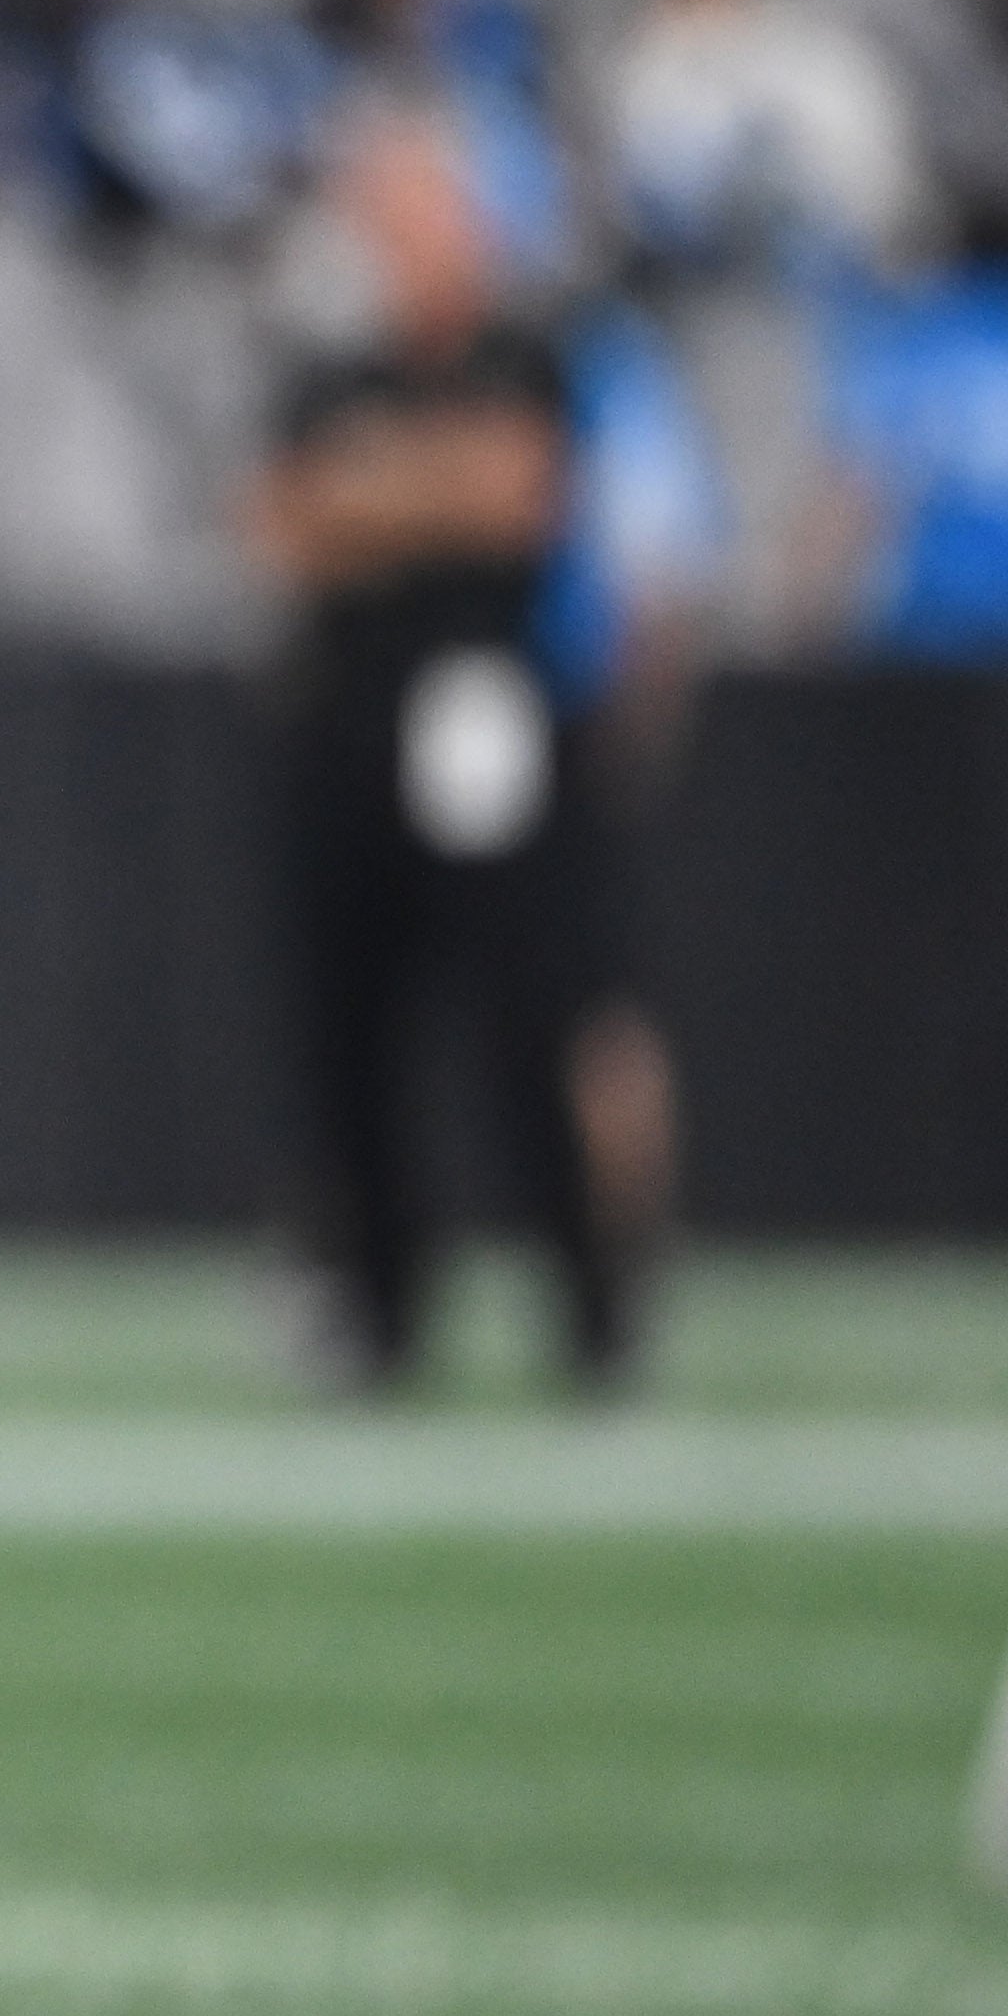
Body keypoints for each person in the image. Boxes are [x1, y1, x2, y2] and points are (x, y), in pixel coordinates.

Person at [249, 106, 647, 1394]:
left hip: (490, 729)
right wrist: (426, 490)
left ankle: (590, 1300)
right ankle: (378, 1309)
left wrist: (379, 488)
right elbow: (284, 524)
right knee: (351, 1029)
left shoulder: (523, 347)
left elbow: (522, 495)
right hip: (348, 727)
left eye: (415, 211)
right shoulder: (326, 364)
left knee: (531, 1017)